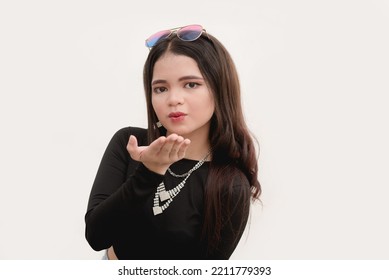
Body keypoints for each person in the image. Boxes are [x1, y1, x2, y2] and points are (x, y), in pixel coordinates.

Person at [85, 24, 261, 260]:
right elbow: (97, 236)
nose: (173, 99)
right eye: (160, 88)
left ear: (219, 90)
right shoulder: (130, 144)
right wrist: (149, 171)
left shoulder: (229, 184)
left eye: (191, 84)